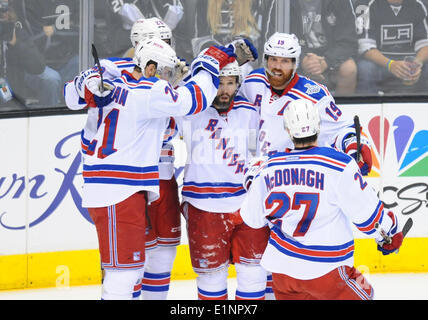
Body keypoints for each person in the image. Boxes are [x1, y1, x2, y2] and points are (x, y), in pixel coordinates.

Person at [63, 37, 237, 299]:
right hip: (116, 190)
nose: (168, 79)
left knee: (128, 271)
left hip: (122, 188)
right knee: (122, 276)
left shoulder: (117, 81)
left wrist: (81, 83)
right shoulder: (149, 90)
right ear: (151, 68)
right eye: (165, 73)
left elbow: (71, 94)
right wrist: (210, 62)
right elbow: (194, 100)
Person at [238, 32, 373, 298]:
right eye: (273, 59)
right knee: (257, 270)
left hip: (292, 182)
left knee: (288, 265)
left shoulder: (313, 93)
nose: (277, 66)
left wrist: (355, 146)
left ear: (295, 63)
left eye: (285, 61)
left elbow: (342, 128)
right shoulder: (252, 82)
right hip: (260, 182)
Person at [239, 99, 404, 300]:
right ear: (318, 125)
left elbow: (252, 219)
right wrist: (389, 233)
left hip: (283, 274)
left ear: (288, 130)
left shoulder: (269, 167)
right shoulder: (338, 164)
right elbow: (368, 216)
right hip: (328, 270)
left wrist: (252, 183)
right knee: (366, 295)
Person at [176, 59, 269, 300]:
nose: (224, 90)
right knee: (211, 277)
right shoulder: (190, 112)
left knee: (254, 274)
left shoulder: (249, 112)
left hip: (247, 206)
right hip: (204, 206)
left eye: (230, 83)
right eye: (218, 83)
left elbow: (255, 153)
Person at [357, 0, 428, 94]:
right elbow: (364, 46)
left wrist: (417, 64)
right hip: (380, 63)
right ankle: (367, 107)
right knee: (365, 69)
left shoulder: (419, 4)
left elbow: (424, 43)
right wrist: (390, 64)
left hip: (409, 64)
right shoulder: (366, 5)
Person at [289, 0, 359, 95]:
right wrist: (302, 60)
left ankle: (337, 109)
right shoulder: (281, 2)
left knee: (349, 68)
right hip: (295, 60)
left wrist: (326, 61)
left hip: (329, 60)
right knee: (279, 65)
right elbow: (270, 39)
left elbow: (349, 42)